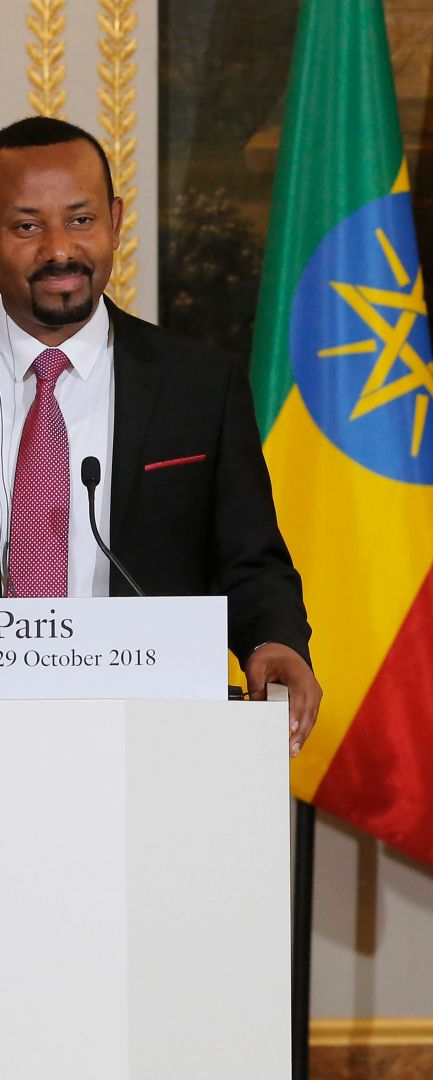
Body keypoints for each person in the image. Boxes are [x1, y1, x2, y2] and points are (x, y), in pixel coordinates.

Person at [0, 115, 321, 753]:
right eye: (27, 226)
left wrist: (273, 640)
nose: (60, 249)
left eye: (82, 219)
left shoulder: (199, 384)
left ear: (117, 221)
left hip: (149, 743)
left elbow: (249, 559)